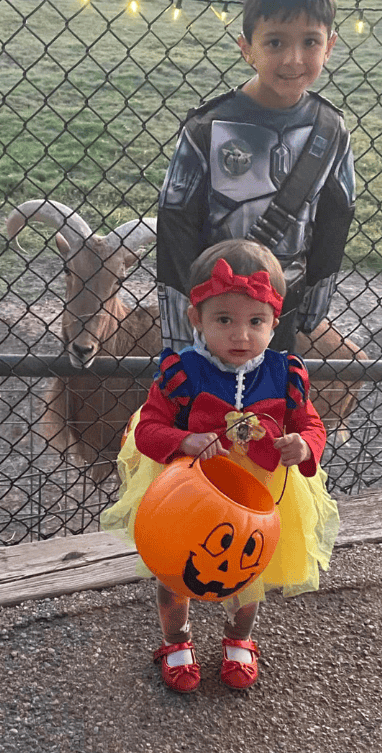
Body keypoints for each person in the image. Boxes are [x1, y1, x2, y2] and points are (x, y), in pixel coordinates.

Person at [100, 239, 340, 693]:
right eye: (224, 320)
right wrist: (183, 438)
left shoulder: (285, 373)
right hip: (187, 495)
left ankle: (239, 640)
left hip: (258, 495)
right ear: (197, 319)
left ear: (274, 323)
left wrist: (304, 446)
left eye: (256, 322)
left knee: (249, 574)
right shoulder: (182, 372)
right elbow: (147, 429)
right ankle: (176, 640)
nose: (241, 335)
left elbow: (312, 424)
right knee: (177, 573)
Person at [157, 0, 358, 363]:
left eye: (311, 42)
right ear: (246, 47)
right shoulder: (206, 128)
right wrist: (179, 337)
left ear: (330, 46)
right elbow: (175, 225)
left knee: (267, 415)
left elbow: (338, 216)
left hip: (279, 314)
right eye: (275, 43)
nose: (293, 59)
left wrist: (316, 298)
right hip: (215, 317)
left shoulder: (332, 130)